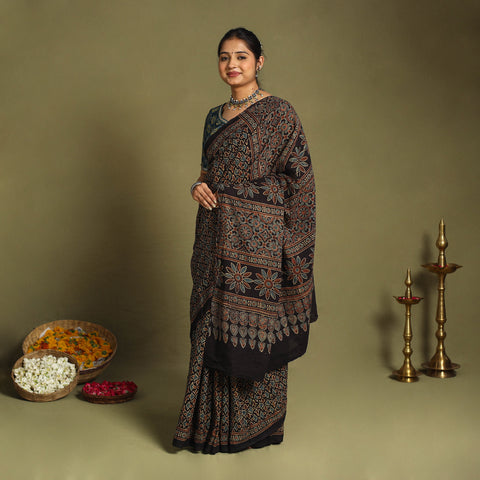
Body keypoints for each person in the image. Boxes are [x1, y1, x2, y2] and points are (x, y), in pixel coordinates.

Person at [172, 27, 317, 454]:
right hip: (214, 234)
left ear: (259, 61)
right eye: (224, 57)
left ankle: (259, 426)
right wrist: (196, 188)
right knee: (210, 323)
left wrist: (241, 198)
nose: (232, 64)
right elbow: (206, 175)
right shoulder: (213, 117)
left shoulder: (279, 113)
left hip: (259, 246)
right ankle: (208, 427)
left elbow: (299, 182)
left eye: (241, 56)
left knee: (257, 331)